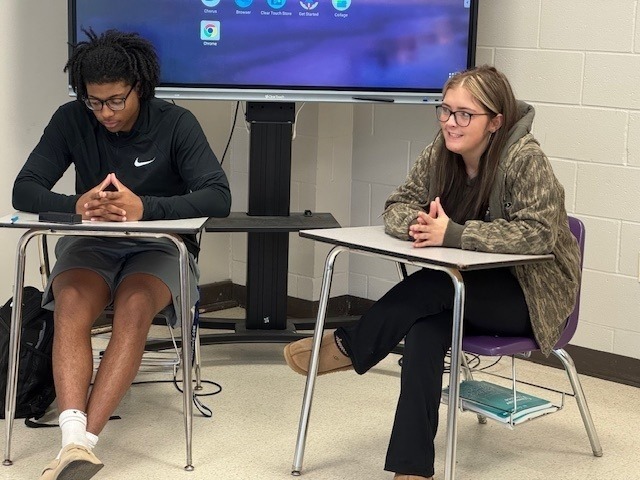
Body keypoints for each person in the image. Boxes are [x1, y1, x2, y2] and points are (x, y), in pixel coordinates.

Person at [283, 65, 580, 480]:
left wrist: (454, 234)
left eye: (464, 114)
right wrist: (420, 226)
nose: (450, 122)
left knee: (432, 284)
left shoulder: (525, 159)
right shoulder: (441, 150)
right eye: (445, 110)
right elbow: (398, 204)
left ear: (495, 121)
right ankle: (412, 469)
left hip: (529, 297)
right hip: (463, 289)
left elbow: (539, 235)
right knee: (424, 332)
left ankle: (352, 345)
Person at [12, 28, 231, 480]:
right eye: (94, 102)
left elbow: (217, 196)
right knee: (70, 302)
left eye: (115, 101)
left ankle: (82, 442)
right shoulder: (72, 119)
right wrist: (74, 205)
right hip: (94, 241)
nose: (105, 113)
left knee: (133, 309)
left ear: (140, 88)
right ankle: (75, 443)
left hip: (158, 245)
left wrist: (145, 209)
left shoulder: (176, 123)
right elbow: (24, 189)